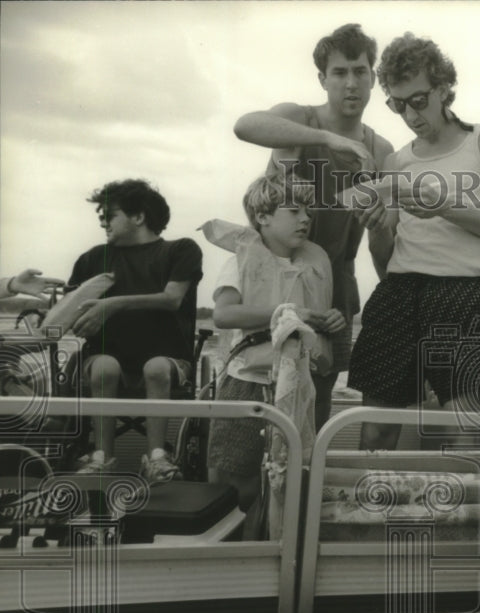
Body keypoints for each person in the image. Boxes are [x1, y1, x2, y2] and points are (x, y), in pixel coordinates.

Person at [347, 33, 480, 449]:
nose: (410, 114)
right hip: (399, 290)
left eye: (419, 100)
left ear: (445, 88)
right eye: (397, 103)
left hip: (465, 293)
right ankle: (370, 509)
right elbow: (383, 259)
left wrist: (442, 204)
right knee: (375, 427)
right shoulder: (396, 161)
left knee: (457, 430)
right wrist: (376, 225)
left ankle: (456, 512)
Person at [233, 23, 393, 429]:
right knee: (254, 392)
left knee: (316, 403)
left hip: (333, 284)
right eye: (340, 73)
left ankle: (304, 483)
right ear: (322, 79)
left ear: (373, 78)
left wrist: (380, 225)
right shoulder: (295, 121)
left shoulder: (382, 150)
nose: (351, 83)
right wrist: (330, 139)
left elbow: (383, 249)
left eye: (360, 71)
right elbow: (245, 125)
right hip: (271, 281)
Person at [205, 173, 342, 523]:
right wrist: (289, 312)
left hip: (297, 386)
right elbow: (224, 314)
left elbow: (313, 322)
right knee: (238, 481)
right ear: (263, 217)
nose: (306, 218)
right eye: (294, 210)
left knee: (290, 477)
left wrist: (331, 320)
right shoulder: (238, 261)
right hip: (247, 384)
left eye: (307, 211)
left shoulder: (312, 264)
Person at [68, 179, 202, 480]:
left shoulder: (181, 250)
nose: (103, 221)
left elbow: (171, 299)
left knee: (155, 367)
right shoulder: (92, 259)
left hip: (168, 360)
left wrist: (111, 304)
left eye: (109, 214)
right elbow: (68, 314)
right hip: (105, 359)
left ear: (138, 217)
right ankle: (102, 456)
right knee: (104, 366)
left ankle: (156, 458)